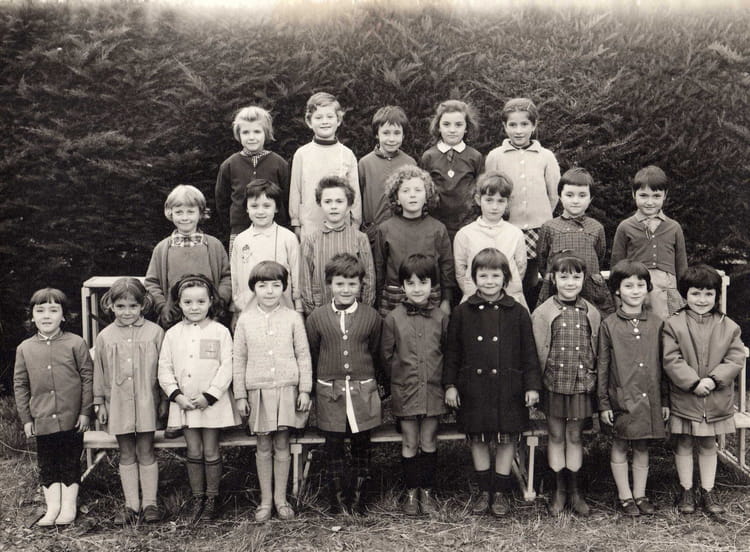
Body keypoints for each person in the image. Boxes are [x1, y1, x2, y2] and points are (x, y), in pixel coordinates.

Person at [444, 248, 541, 516]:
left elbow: (529, 353)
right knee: (478, 438)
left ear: (505, 278)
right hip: (474, 388)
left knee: (507, 439)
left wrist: (532, 386)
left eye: (495, 275)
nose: (489, 281)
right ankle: (483, 490)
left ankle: (500, 491)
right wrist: (450, 385)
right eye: (483, 275)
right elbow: (452, 353)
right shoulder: (462, 312)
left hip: (509, 388)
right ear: (474, 278)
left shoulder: (518, 312)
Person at [662, 265, 745, 515]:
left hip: (715, 397)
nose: (702, 299)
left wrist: (712, 380)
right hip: (686, 396)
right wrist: (694, 382)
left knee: (709, 443)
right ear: (685, 294)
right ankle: (686, 489)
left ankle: (708, 490)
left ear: (717, 295)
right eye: (696, 293)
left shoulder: (728, 326)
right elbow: (671, 359)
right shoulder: (673, 324)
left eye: (709, 294)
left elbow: (735, 358)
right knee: (684, 442)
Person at [233, 261, 312, 522]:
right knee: (263, 444)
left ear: (284, 288)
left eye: (276, 285)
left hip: (287, 390)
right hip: (258, 391)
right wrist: (240, 394)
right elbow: (239, 358)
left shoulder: (293, 318)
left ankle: (281, 499)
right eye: (262, 285)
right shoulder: (245, 320)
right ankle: (265, 500)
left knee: (282, 444)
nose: (269, 291)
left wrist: (304, 389)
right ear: (253, 288)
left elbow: (303, 355)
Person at [305, 254, 383, 514]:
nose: (346, 289)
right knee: (334, 444)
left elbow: (375, 351)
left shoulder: (371, 316)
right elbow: (315, 352)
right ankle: (337, 500)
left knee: (362, 443)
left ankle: (360, 499)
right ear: (329, 284)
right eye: (340, 284)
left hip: (362, 391)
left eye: (352, 284)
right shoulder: (317, 318)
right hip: (331, 393)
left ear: (360, 285)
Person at [158, 274, 239, 522]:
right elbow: (164, 368)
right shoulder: (172, 334)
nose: (195, 307)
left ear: (211, 301)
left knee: (211, 450)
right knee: (194, 450)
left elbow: (228, 366)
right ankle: (197, 498)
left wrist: (210, 395)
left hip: (211, 404)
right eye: (188, 302)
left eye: (201, 302)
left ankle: (213, 498)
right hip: (184, 404)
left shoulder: (220, 331)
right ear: (179, 303)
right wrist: (176, 395)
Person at [14, 288, 93, 526]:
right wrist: (27, 419)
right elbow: (20, 384)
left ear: (64, 315)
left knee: (69, 461)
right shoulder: (24, 348)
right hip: (42, 418)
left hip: (72, 418)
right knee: (48, 463)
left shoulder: (76, 343)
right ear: (32, 316)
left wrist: (85, 412)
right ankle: (53, 508)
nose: (46, 316)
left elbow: (88, 378)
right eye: (40, 310)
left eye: (53, 310)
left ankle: (68, 507)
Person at [597, 261, 668, 516]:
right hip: (620, 396)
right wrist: (603, 403)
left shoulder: (658, 323)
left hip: (650, 397)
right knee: (619, 443)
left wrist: (665, 401)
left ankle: (640, 494)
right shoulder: (609, 325)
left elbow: (664, 364)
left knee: (641, 445)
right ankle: (625, 496)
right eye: (628, 286)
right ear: (617, 290)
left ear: (648, 288)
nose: (635, 291)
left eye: (640, 285)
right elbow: (603, 365)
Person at [531, 252, 600, 516]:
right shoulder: (542, 312)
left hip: (581, 384)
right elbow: (536, 352)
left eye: (576, 277)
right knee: (556, 435)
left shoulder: (591, 312)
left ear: (583, 279)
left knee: (575, 435)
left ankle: (575, 490)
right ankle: (558, 489)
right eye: (564, 277)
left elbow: (597, 351)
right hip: (554, 384)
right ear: (553, 279)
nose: (570, 283)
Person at [93, 278, 165, 524]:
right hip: (118, 403)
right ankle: (131, 505)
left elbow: (164, 369)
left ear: (143, 304)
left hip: (147, 402)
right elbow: (99, 372)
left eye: (133, 306)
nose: (127, 312)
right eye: (120, 306)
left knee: (146, 450)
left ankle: (150, 504)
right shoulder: (105, 336)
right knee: (126, 452)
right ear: (111, 305)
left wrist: (164, 401)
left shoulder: (155, 333)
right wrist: (100, 402)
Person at [381, 254, 448, 516]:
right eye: (410, 283)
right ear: (402, 286)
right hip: (405, 391)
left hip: (433, 390)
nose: (417, 288)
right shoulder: (393, 319)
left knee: (429, 440)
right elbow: (387, 356)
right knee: (409, 441)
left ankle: (427, 492)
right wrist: (399, 380)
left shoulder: (441, 317)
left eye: (423, 282)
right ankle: (411, 492)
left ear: (433, 285)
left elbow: (447, 352)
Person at [484, 97, 561, 308]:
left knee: (536, 280)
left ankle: (537, 316)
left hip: (539, 229)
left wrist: (540, 217)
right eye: (513, 125)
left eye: (524, 124)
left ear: (534, 125)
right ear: (504, 126)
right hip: (509, 228)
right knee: (511, 275)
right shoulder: (495, 156)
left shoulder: (545, 156)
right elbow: (490, 192)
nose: (518, 131)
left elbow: (554, 194)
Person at [145, 184, 231, 327]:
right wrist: (162, 306)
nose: (185, 218)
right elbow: (152, 283)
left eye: (190, 212)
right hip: (174, 319)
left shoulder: (214, 245)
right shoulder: (162, 249)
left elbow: (227, 277)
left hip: (210, 317)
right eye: (179, 212)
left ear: (201, 213)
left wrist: (219, 301)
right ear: (170, 213)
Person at [374, 165, 454, 316]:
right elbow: (379, 268)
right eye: (405, 191)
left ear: (427, 196)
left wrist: (446, 300)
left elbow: (447, 266)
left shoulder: (438, 229)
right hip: (394, 297)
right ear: (396, 198)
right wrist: (378, 300)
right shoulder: (385, 229)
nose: (412, 195)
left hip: (430, 296)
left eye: (418, 190)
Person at [611, 165, 687, 319]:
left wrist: (685, 297)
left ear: (665, 195)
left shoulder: (674, 227)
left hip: (667, 292)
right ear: (634, 194)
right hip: (637, 288)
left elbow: (682, 267)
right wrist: (618, 299)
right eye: (644, 195)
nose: (650, 202)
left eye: (656, 196)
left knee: (667, 328)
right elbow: (617, 267)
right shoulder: (625, 227)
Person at [536, 167, 614, 315]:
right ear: (560, 196)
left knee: (593, 319)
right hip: (558, 287)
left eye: (582, 195)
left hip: (590, 287)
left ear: (591, 198)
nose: (576, 201)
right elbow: (542, 260)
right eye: (569, 195)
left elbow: (599, 256)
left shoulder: (596, 227)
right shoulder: (549, 227)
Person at [215, 105, 290, 253]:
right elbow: (222, 201)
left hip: (274, 231)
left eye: (257, 131)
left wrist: (283, 222)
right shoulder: (229, 165)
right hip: (240, 231)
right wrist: (234, 224)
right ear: (238, 135)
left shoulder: (279, 163)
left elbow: (287, 198)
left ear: (265, 133)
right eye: (246, 132)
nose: (251, 137)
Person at [299, 176, 375, 315]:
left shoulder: (360, 239)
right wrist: (313, 314)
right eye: (328, 201)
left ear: (349, 205)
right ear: (320, 204)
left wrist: (363, 312)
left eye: (339, 201)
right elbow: (305, 282)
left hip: (355, 313)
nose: (333, 206)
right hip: (321, 311)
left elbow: (368, 279)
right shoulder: (310, 241)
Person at [289, 91, 361, 238]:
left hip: (341, 227)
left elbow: (355, 192)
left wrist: (356, 222)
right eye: (318, 117)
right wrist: (295, 222)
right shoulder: (302, 154)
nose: (325, 121)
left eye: (329, 116)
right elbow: (296, 190)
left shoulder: (347, 154)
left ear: (338, 120)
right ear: (309, 122)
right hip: (310, 226)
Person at [453, 171, 527, 309]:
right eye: (489, 200)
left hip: (509, 299)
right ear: (478, 199)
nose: (494, 207)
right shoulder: (465, 234)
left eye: (501, 201)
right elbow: (460, 270)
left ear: (508, 202)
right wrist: (476, 293)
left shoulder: (515, 233)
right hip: (475, 301)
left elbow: (520, 267)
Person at [230, 179, 302, 322]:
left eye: (267, 206)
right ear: (247, 208)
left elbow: (297, 276)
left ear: (276, 208)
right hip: (249, 312)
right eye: (254, 206)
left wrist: (299, 308)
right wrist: (236, 309)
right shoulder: (240, 240)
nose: (260, 211)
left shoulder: (288, 238)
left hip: (283, 312)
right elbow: (235, 278)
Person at [419, 99, 484, 241]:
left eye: (458, 125)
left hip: (467, 224)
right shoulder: (429, 156)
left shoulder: (475, 157)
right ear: (438, 127)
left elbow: (480, 190)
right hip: (437, 223)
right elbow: (423, 192)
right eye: (446, 124)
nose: (452, 130)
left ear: (466, 127)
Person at [358, 105, 417, 244]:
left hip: (403, 231)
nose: (391, 139)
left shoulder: (410, 163)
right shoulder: (365, 163)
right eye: (386, 133)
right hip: (373, 233)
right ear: (377, 134)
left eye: (397, 133)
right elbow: (358, 199)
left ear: (403, 135)